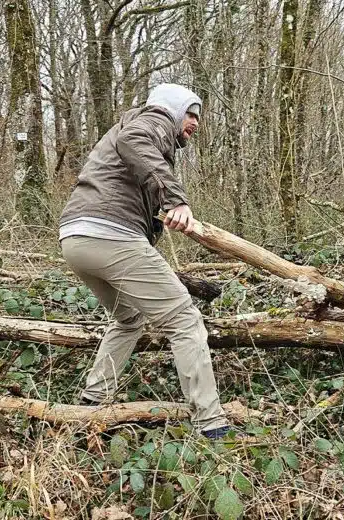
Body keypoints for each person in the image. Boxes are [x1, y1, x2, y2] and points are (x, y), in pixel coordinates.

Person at [58, 83, 232, 439]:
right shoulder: (152, 121)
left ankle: (93, 401)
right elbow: (134, 143)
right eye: (191, 113)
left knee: (128, 318)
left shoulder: (132, 128)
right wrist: (174, 199)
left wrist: (157, 216)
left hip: (75, 240)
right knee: (184, 319)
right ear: (172, 109)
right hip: (110, 235)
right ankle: (211, 425)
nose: (196, 123)